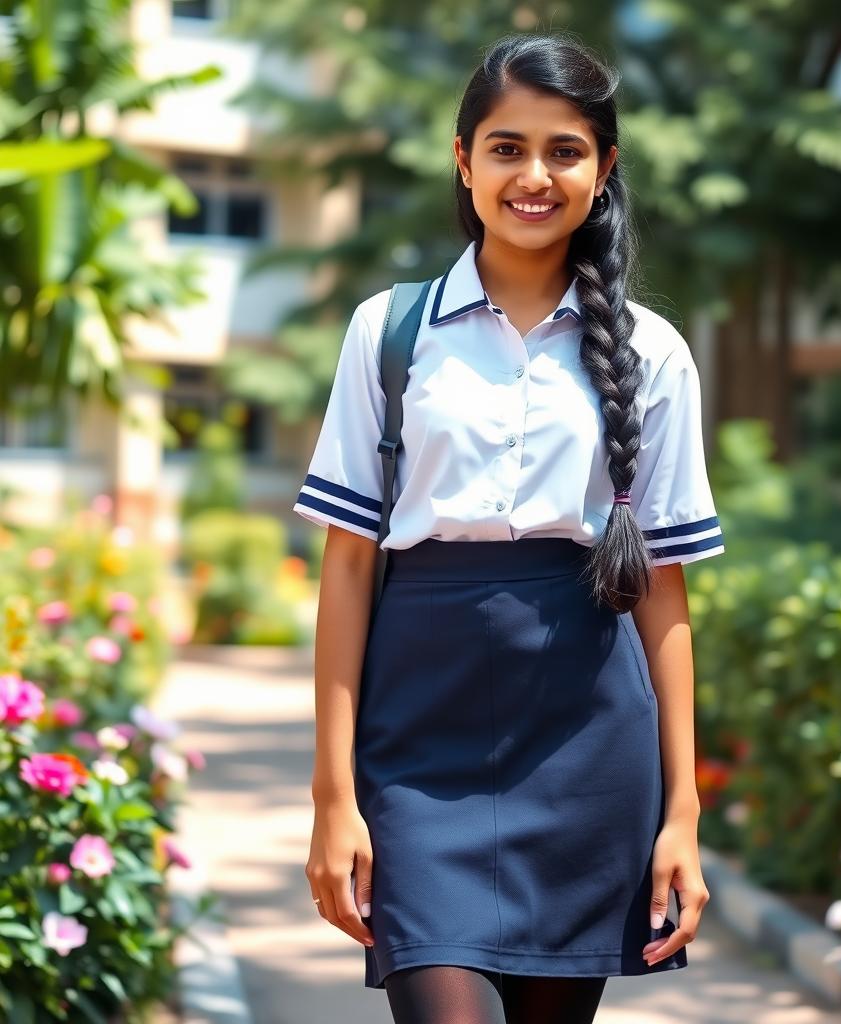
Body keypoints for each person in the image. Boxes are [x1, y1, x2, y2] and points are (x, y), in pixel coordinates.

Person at [295, 31, 726, 1024]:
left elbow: (664, 589)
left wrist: (681, 812)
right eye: (505, 147)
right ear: (462, 159)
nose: (533, 175)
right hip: (418, 739)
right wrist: (331, 798)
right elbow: (350, 566)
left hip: (585, 743)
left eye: (564, 150)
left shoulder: (651, 354)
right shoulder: (388, 332)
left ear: (603, 168)